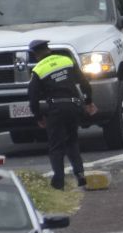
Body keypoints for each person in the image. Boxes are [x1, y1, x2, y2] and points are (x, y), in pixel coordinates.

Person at [28, 39, 96, 191]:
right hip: (73, 107)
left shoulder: (38, 70)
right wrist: (89, 101)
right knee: (72, 141)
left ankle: (58, 182)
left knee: (56, 146)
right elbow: (84, 83)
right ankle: (80, 175)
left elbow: (32, 97)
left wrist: (38, 116)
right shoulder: (66, 60)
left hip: (56, 110)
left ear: (36, 54)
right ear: (48, 49)